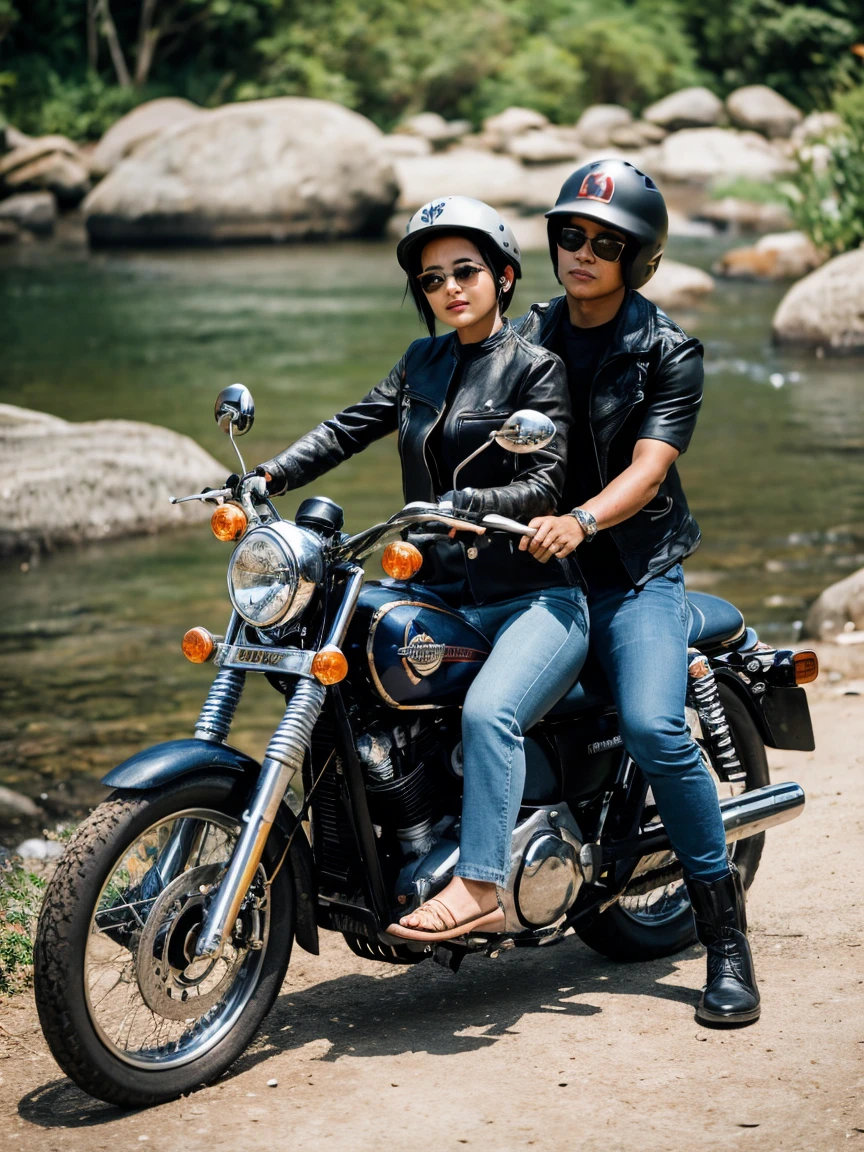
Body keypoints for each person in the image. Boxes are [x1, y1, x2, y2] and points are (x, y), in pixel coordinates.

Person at [256, 196, 589, 943]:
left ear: (504, 277)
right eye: (434, 279)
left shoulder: (536, 368)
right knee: (338, 673)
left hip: (532, 600)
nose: (450, 289)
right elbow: (351, 425)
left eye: (465, 271)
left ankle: (478, 887)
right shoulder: (422, 362)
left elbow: (545, 485)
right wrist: (271, 475)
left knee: (488, 714)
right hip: (438, 589)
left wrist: (468, 500)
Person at [513, 159, 760, 1026]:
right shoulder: (526, 332)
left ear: (638, 258)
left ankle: (725, 937)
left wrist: (581, 520)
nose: (581, 253)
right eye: (570, 235)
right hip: (534, 568)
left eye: (604, 243)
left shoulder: (667, 351)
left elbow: (650, 473)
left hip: (632, 574)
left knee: (657, 728)